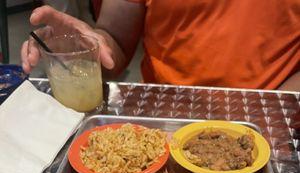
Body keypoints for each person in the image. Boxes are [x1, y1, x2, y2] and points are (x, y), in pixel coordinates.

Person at [21, 0, 300, 91]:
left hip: (277, 123)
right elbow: (114, 40)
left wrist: (274, 116)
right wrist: (83, 50)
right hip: (162, 114)